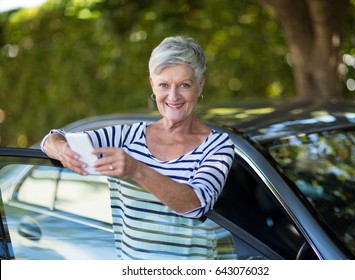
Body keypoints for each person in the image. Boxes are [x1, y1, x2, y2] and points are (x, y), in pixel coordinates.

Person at [41, 36, 236, 260]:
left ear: (200, 85)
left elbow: (195, 205)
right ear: (153, 84)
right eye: (164, 85)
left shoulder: (217, 146)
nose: (173, 96)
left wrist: (136, 170)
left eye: (184, 85)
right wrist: (63, 150)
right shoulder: (128, 135)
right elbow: (52, 139)